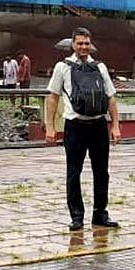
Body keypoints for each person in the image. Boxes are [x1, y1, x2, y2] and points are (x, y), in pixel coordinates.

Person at [45, 27, 121, 231]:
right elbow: (52, 97)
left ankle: (100, 214)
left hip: (98, 125)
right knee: (73, 172)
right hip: (75, 126)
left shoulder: (100, 67)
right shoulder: (63, 67)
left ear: (91, 44)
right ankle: (76, 216)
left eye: (87, 43)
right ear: (73, 44)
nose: (83, 47)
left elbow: (111, 97)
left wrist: (115, 125)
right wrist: (50, 127)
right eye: (79, 43)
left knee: (102, 172)